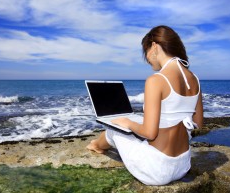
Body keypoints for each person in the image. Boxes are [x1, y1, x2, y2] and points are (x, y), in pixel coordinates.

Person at [86, 25, 203, 185]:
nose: (147, 59)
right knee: (134, 127)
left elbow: (149, 133)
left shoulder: (157, 80)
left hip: (156, 170)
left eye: (146, 51)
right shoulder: (194, 79)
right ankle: (99, 144)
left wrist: (127, 122)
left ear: (154, 46)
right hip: (182, 166)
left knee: (114, 129)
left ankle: (96, 146)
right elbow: (198, 123)